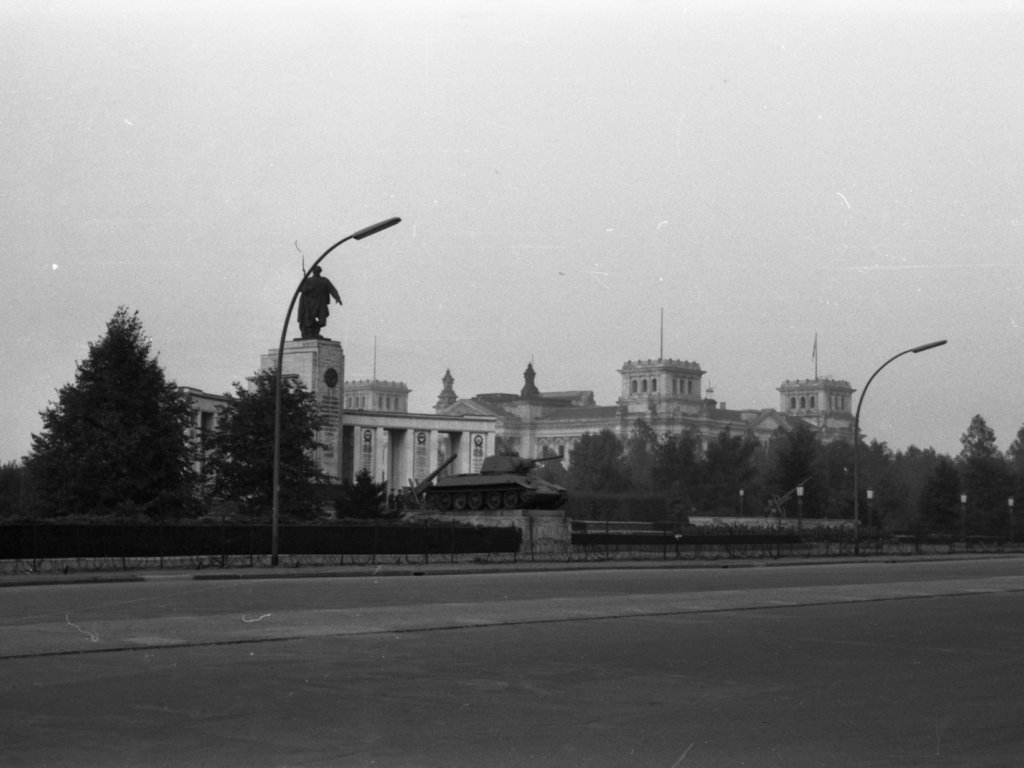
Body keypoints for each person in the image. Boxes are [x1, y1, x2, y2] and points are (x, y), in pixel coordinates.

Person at [296, 266, 342, 339]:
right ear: (313, 272)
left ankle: (315, 332)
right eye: (315, 271)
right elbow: (301, 289)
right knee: (309, 320)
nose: (316, 272)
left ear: (320, 271)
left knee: (322, 321)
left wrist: (337, 297)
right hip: (310, 304)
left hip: (321, 303)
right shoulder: (308, 280)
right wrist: (307, 287)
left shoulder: (324, 280)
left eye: (318, 271)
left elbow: (332, 289)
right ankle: (310, 333)